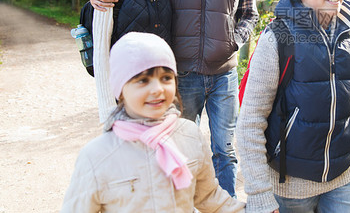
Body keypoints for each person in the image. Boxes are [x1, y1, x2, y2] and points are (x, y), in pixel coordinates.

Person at [87, 0, 259, 197]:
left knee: (225, 151)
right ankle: (179, 203)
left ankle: (227, 204)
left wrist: (234, 42)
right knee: (177, 148)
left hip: (224, 76)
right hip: (184, 76)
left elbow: (249, 13)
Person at [236, 0, 350, 213]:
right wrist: (259, 194)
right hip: (290, 186)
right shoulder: (278, 38)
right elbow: (251, 121)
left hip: (342, 178)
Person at [61, 32, 245, 212]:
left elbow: (209, 197)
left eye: (166, 78)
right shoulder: (97, 156)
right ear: (120, 89)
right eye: (143, 80)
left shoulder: (189, 135)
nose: (157, 89)